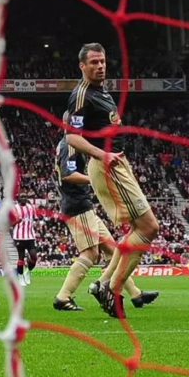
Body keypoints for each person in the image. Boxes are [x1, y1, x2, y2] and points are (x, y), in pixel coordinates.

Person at [65, 43, 159, 318]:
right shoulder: (81, 95)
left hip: (117, 162)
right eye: (94, 62)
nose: (100, 66)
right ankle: (112, 288)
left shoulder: (101, 91)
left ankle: (104, 283)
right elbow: (71, 137)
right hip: (107, 165)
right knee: (149, 227)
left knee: (138, 228)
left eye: (102, 61)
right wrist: (101, 155)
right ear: (82, 66)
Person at [53, 130, 159, 314]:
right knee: (90, 253)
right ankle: (63, 297)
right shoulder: (70, 145)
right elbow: (67, 174)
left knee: (113, 249)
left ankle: (135, 294)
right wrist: (94, 180)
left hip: (83, 205)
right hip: (77, 206)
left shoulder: (69, 145)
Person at [12, 195, 38, 287]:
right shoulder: (14, 208)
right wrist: (17, 221)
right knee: (21, 257)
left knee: (34, 256)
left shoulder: (31, 207)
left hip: (30, 236)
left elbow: (35, 218)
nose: (24, 198)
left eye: (25, 197)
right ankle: (20, 277)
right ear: (18, 199)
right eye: (22, 197)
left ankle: (27, 272)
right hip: (19, 237)